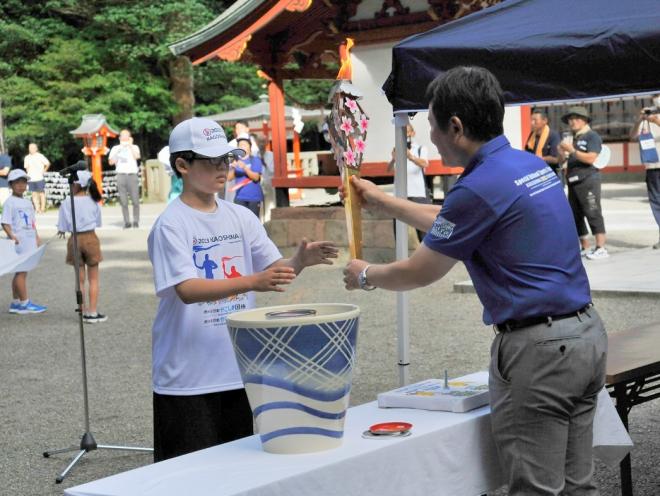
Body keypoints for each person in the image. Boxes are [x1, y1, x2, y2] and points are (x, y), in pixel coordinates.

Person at [342, 67, 606, 496]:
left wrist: (366, 274)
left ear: (457, 126)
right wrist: (384, 201)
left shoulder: (478, 186)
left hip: (538, 351)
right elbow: (460, 221)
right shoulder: (526, 164)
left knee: (536, 489)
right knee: (578, 486)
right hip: (584, 335)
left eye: (432, 124)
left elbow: (420, 270)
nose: (431, 134)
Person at [147, 117, 338, 462]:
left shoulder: (241, 217)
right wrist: (252, 281)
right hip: (188, 377)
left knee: (234, 470)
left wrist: (299, 261)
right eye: (211, 162)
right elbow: (187, 289)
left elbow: (273, 272)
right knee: (186, 477)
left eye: (226, 160)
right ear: (182, 165)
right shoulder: (171, 224)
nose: (222, 169)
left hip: (239, 369)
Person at [57, 170, 107, 324]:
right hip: (90, 238)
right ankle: (92, 312)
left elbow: (63, 225)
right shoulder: (94, 201)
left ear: (77, 184)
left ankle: (82, 311)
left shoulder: (67, 201)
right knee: (94, 279)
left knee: (79, 280)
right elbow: (98, 222)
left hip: (74, 239)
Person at [558, 106, 608, 260]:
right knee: (575, 214)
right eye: (570, 119)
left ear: (585, 120)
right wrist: (561, 153)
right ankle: (585, 246)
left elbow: (591, 158)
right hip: (572, 180)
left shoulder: (592, 136)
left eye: (576, 118)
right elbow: (562, 161)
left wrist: (572, 151)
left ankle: (601, 247)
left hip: (588, 179)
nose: (572, 122)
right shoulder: (572, 137)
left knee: (592, 211)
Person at [1, 169, 47, 314]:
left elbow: (32, 222)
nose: (21, 185)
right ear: (10, 185)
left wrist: (36, 235)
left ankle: (16, 303)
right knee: (22, 271)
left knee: (19, 271)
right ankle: (25, 303)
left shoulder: (27, 202)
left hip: (29, 240)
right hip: (19, 242)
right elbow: (5, 222)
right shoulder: (9, 202)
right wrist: (11, 236)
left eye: (23, 182)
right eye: (17, 182)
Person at [387, 123, 431, 242]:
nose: (405, 135)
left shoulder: (421, 148)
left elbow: (425, 164)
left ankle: (426, 253)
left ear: (413, 133)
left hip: (417, 192)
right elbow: (388, 169)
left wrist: (411, 157)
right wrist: (393, 159)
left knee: (423, 226)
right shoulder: (396, 148)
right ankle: (400, 253)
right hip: (400, 192)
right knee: (398, 226)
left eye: (407, 132)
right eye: (403, 132)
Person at [629, 96, 660, 249]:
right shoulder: (645, 120)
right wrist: (638, 120)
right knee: (656, 202)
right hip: (651, 166)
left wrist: (655, 120)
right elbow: (633, 136)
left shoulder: (655, 118)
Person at [108, 129, 141, 228]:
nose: (125, 138)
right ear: (120, 137)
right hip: (121, 175)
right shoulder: (115, 148)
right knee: (123, 201)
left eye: (127, 136)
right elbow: (111, 162)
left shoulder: (135, 147)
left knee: (135, 200)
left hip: (132, 175)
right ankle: (127, 221)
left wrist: (130, 145)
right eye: (123, 136)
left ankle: (136, 221)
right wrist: (119, 150)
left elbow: (137, 157)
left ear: (130, 137)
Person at [227, 136, 264, 218]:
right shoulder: (235, 161)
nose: (242, 147)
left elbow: (256, 178)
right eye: (240, 145)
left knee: (254, 222)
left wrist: (245, 167)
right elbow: (229, 178)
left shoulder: (255, 159)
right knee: (241, 223)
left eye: (244, 145)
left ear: (250, 147)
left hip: (254, 197)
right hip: (239, 197)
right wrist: (233, 167)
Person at [524, 109, 562, 181]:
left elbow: (556, 159)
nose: (532, 123)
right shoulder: (532, 135)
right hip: (535, 173)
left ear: (544, 121)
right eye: (531, 120)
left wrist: (539, 159)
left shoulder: (553, 135)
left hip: (550, 174)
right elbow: (527, 153)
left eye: (535, 120)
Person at [23, 143, 51, 214]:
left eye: (33, 148)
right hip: (31, 178)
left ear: (36, 149)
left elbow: (47, 163)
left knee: (41, 193)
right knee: (34, 194)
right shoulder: (27, 157)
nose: (31, 149)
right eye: (30, 148)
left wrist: (44, 171)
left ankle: (42, 209)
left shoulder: (40, 156)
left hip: (39, 177)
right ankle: (37, 209)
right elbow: (26, 168)